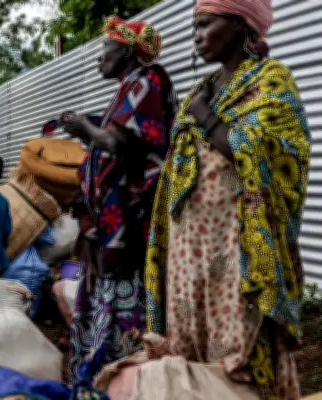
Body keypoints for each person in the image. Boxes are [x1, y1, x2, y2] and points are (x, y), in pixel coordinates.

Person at [145, 1, 307, 398]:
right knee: (189, 340)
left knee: (235, 348)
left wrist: (206, 117)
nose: (197, 35)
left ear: (240, 25)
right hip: (187, 248)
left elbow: (274, 157)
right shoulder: (200, 91)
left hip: (237, 246)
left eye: (206, 24)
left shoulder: (271, 80)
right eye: (195, 26)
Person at [61, 16, 176, 379]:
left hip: (130, 224)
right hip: (114, 223)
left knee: (127, 299)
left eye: (106, 48)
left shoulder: (146, 82)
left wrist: (84, 127)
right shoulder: (130, 87)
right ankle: (100, 373)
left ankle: (123, 377)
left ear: (126, 52)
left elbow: (118, 143)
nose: (100, 57)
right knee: (103, 293)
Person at [2, 226, 55, 317]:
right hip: (27, 271)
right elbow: (49, 240)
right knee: (26, 310)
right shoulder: (36, 223)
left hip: (7, 268)